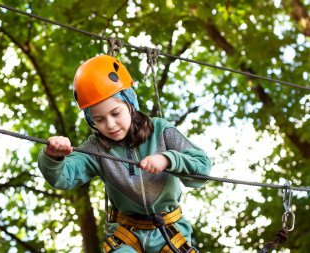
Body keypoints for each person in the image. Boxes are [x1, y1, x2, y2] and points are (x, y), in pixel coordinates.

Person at [38, 54, 212, 253]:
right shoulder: (96, 149)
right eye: (99, 119)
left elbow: (202, 169)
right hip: (126, 235)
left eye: (115, 113)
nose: (110, 125)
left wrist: (168, 159)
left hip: (169, 231)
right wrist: (53, 156)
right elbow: (63, 178)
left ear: (130, 104)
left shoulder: (161, 131)